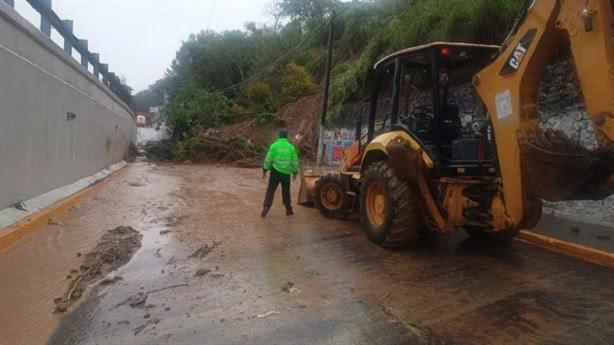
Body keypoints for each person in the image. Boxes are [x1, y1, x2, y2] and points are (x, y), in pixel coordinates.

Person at [261, 130, 299, 218]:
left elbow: (268, 159)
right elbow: (295, 162)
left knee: (270, 190)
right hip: (286, 174)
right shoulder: (291, 147)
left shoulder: (274, 146)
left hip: (275, 172)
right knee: (286, 192)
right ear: (286, 137)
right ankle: (288, 210)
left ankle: (266, 206)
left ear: (279, 136)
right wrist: (295, 172)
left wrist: (264, 170)